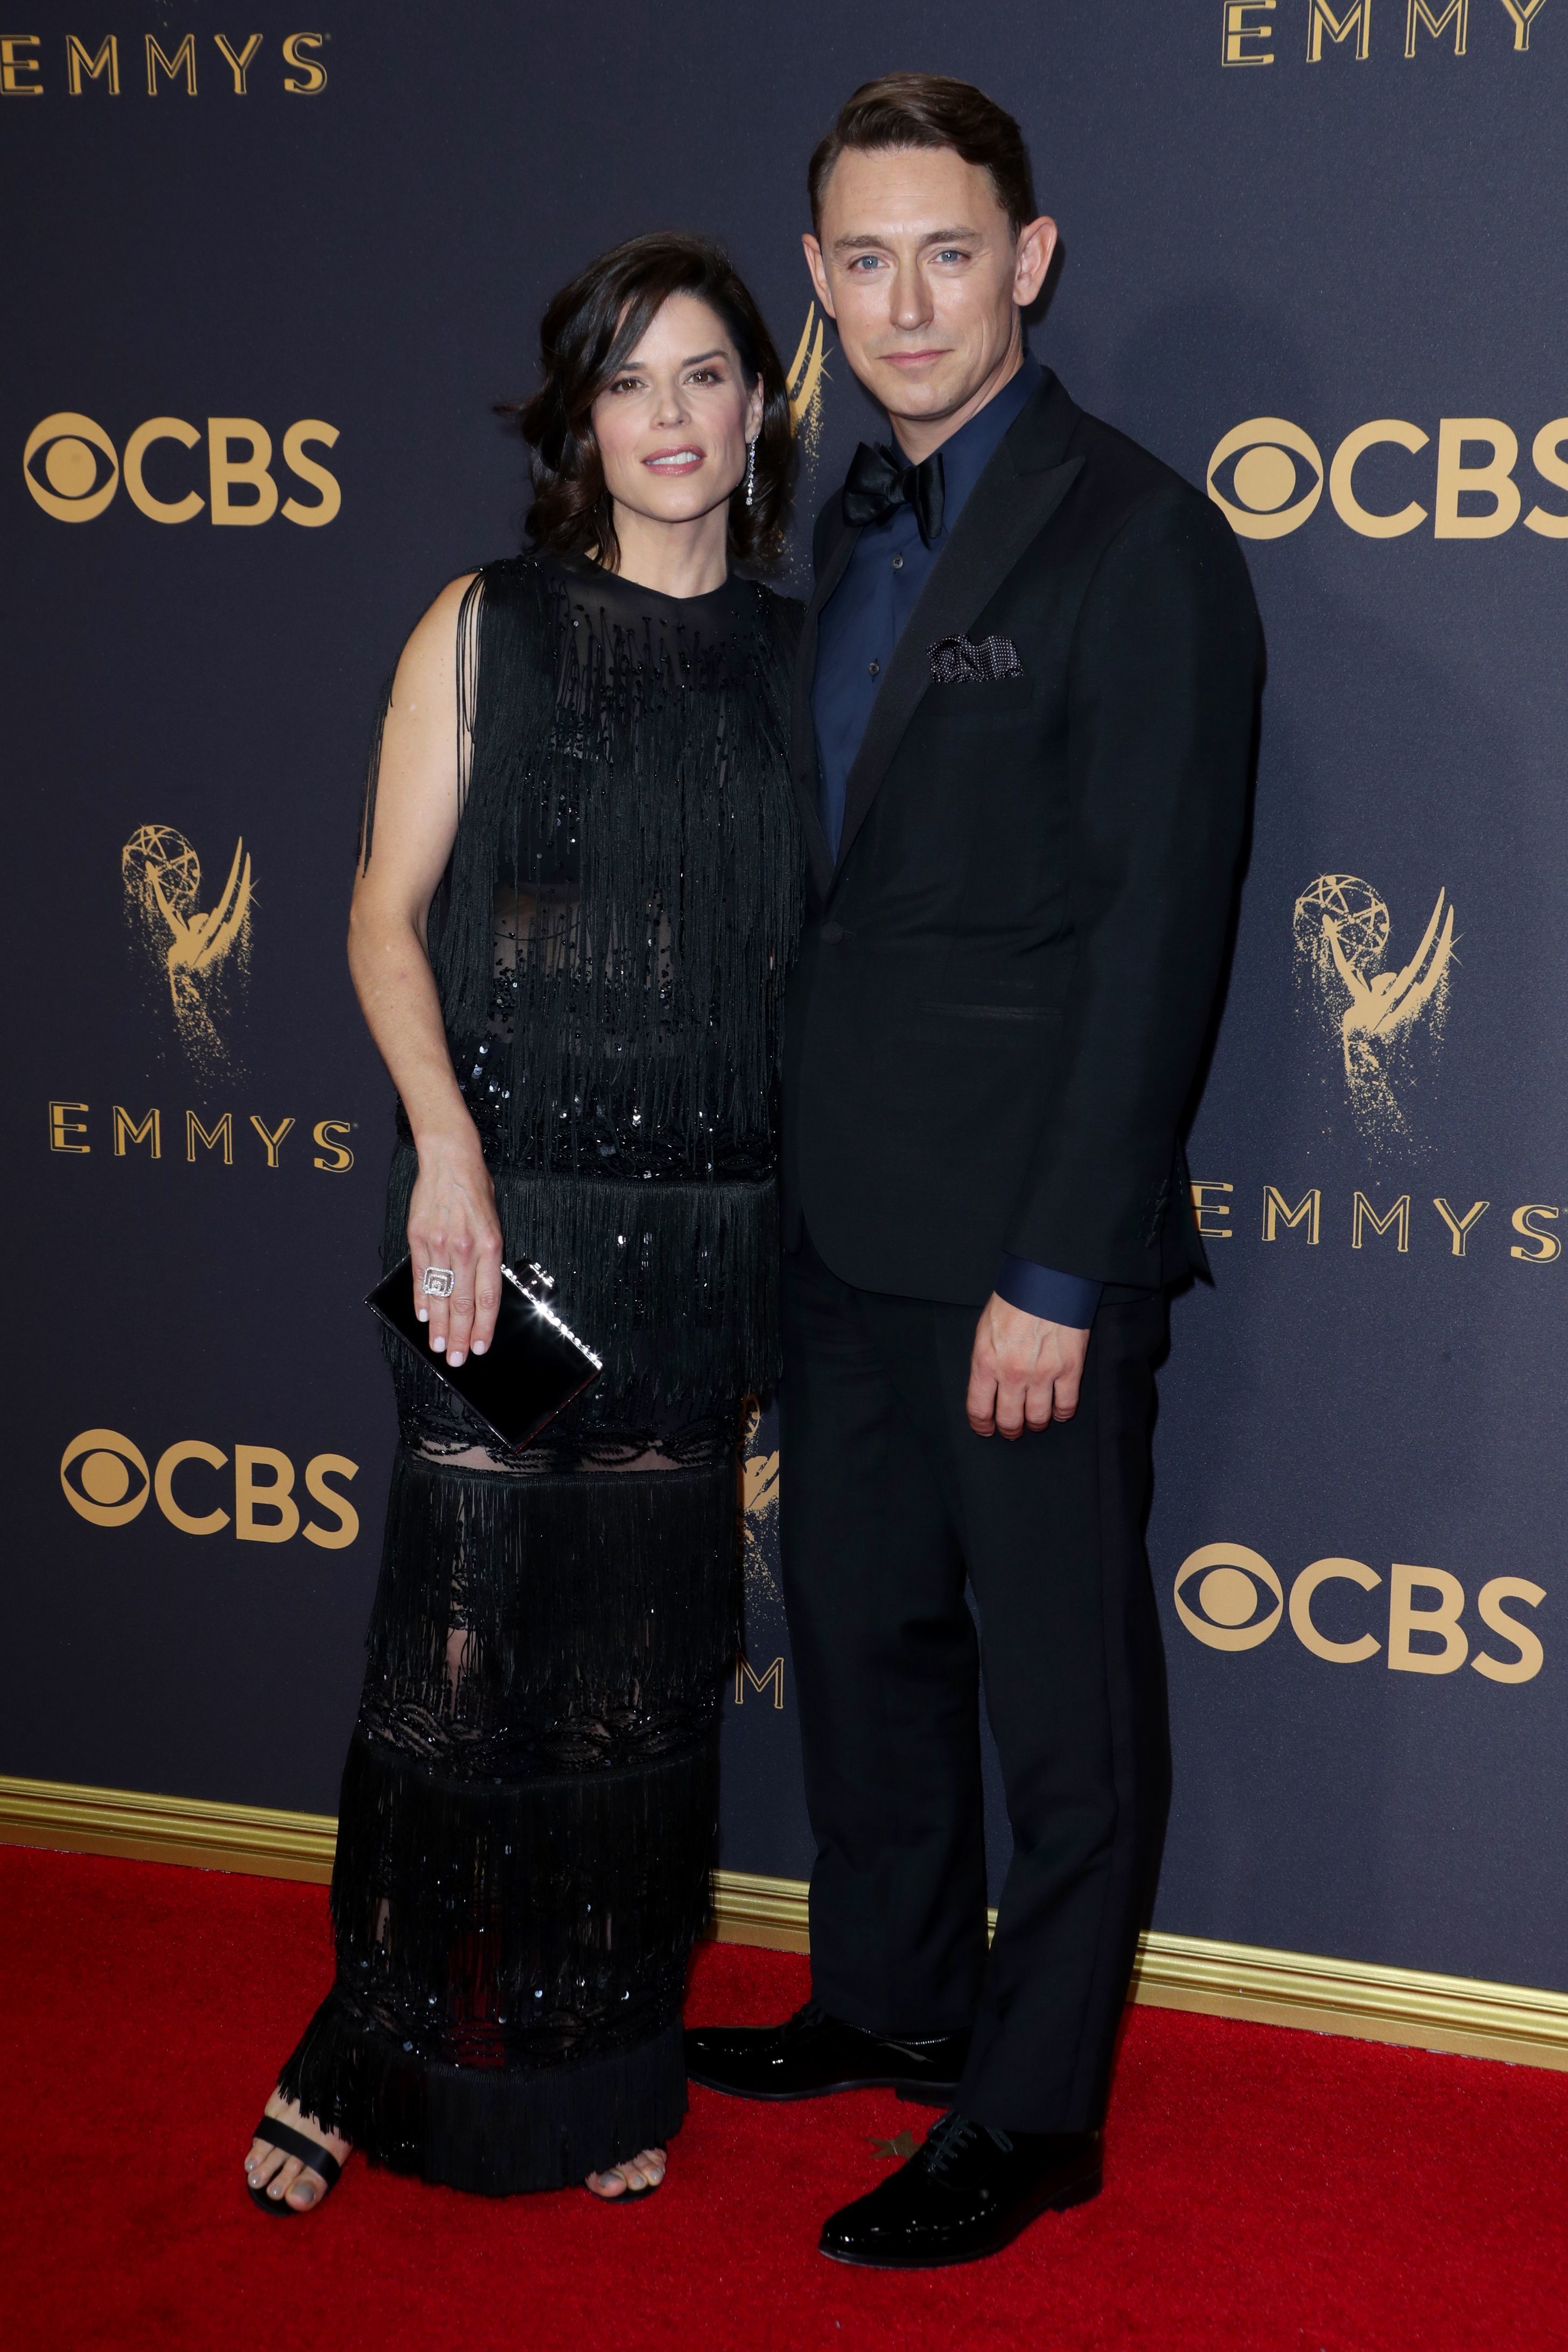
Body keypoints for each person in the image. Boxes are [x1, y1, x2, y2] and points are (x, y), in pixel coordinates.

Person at [685, 75, 1262, 2267]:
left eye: (946, 251)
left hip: (1020, 1244)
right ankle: (894, 2000)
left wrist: (1062, 1259)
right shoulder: (841, 525)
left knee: (1060, 1700)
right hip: (835, 1232)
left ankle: (1031, 2116)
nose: (903, 299)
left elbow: (1153, 940)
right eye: (859, 258)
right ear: (817, 281)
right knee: (855, 1636)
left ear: (1027, 259)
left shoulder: (1138, 539)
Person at [242, 232, 802, 2213]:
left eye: (710, 374)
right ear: (580, 417)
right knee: (462, 1656)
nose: (672, 416)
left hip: (720, 1241)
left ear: (759, 411)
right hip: (512, 1216)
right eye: (632, 380)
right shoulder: (482, 623)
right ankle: (368, 2034)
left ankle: (586, 2052)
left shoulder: (807, 658)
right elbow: (381, 917)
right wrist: (450, 1152)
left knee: (643, 1673)